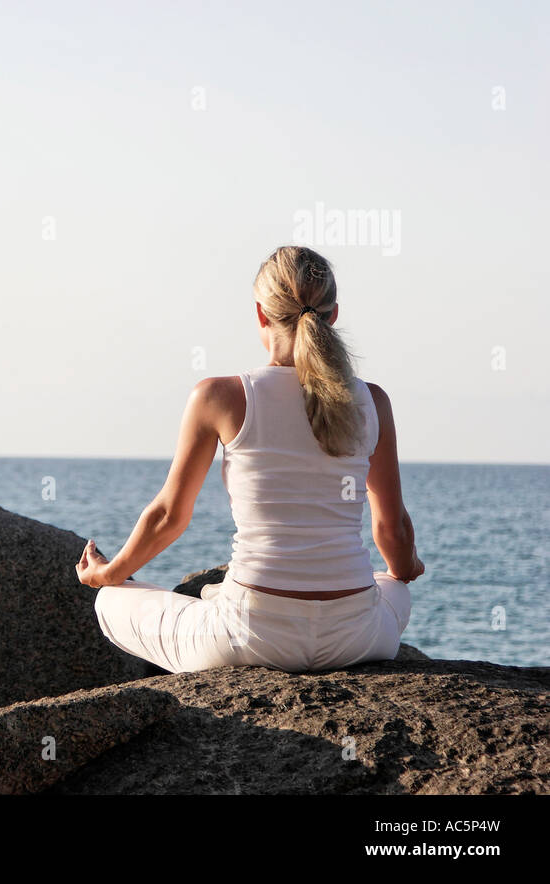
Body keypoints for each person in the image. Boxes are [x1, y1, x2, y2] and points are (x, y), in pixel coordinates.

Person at [76, 245, 425, 674]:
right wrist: (406, 567)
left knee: (112, 601)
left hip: (247, 638)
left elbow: (168, 516)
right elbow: (392, 527)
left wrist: (108, 574)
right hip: (358, 639)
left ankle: (210, 598)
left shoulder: (219, 396)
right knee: (395, 589)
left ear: (261, 314)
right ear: (333, 316)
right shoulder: (373, 400)